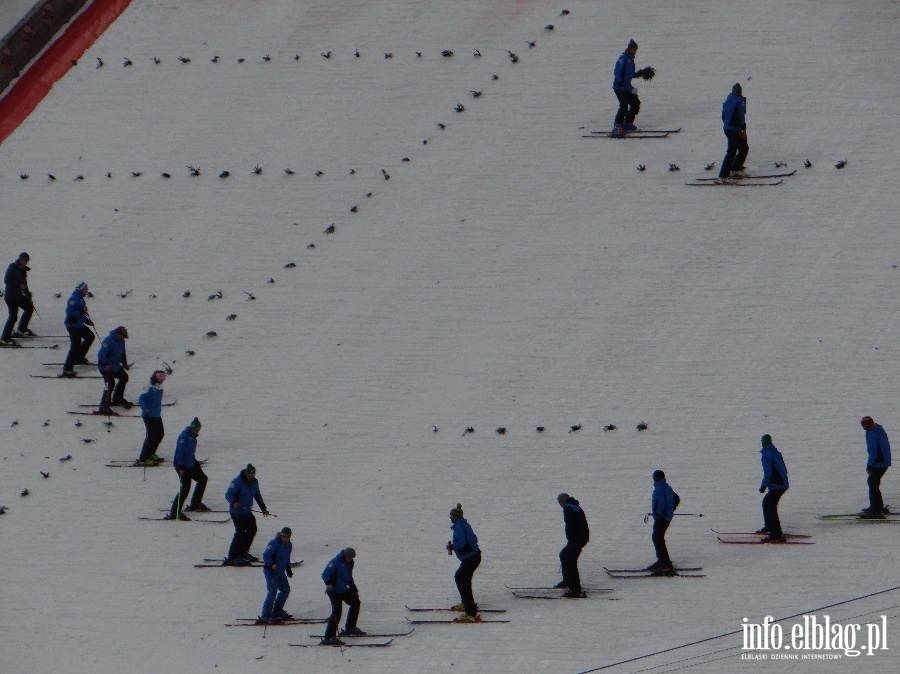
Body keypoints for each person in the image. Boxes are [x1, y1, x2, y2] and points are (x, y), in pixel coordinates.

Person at [224, 464, 270, 566]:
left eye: (252, 475)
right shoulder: (237, 482)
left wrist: (263, 508)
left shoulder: (254, 482)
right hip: (237, 512)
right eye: (249, 475)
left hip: (247, 512)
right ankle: (232, 557)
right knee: (240, 533)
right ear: (245, 473)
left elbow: (257, 495)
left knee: (252, 529)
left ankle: (243, 551)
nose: (251, 477)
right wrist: (234, 501)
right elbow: (228, 494)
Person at [165, 418, 208, 520]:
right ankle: (174, 512)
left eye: (198, 430)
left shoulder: (192, 437)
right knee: (185, 488)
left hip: (191, 464)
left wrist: (195, 462)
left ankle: (196, 502)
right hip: (183, 467)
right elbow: (179, 453)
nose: (197, 432)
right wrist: (180, 467)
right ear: (191, 428)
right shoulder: (184, 437)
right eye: (196, 430)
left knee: (202, 479)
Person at [321, 548, 365, 644]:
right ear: (344, 555)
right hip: (334, 591)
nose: (350, 559)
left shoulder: (350, 564)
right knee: (337, 613)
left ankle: (350, 627)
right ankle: (328, 638)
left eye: (351, 558)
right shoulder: (335, 562)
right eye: (349, 557)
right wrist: (328, 583)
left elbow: (349, 577)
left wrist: (354, 589)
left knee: (355, 602)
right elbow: (325, 574)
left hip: (343, 590)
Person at [446, 503, 481, 621]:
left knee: (463, 581)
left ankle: (470, 613)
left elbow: (462, 543)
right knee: (460, 577)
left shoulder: (460, 527)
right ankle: (466, 603)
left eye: (451, 515)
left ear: (456, 516)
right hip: (472, 557)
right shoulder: (463, 525)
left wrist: (452, 547)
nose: (450, 517)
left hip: (470, 558)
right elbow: (473, 538)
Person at [611, 39, 653, 136]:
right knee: (624, 106)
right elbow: (617, 71)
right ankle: (617, 126)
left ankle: (627, 123)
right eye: (633, 49)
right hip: (620, 88)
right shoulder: (623, 58)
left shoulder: (630, 60)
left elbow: (630, 74)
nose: (635, 51)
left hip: (627, 88)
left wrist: (641, 73)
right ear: (629, 49)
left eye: (635, 49)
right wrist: (620, 82)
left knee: (635, 103)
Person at [556, 493, 590, 598]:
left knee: (570, 562)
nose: (560, 505)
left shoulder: (568, 508)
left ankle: (576, 590)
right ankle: (568, 580)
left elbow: (571, 525)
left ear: (563, 501)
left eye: (560, 502)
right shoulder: (574, 506)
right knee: (564, 555)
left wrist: (571, 539)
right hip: (580, 538)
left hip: (577, 539)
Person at [758, 434, 789, 542]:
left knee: (769, 505)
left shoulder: (766, 454)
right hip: (782, 483)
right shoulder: (775, 452)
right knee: (768, 504)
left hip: (778, 485)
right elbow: (784, 468)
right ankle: (770, 527)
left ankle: (776, 534)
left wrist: (763, 486)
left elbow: (768, 472)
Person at [259, 527, 294, 624]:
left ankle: (277, 610)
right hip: (271, 571)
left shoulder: (289, 545)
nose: (285, 539)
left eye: (287, 537)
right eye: (284, 536)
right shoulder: (274, 543)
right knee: (272, 591)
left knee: (285, 589)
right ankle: (266, 615)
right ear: (281, 535)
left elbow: (287, 558)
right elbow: (266, 555)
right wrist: (271, 563)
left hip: (280, 571)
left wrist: (288, 569)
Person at [717, 83, 749, 183]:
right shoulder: (739, 101)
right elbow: (740, 115)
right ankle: (723, 176)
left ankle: (735, 169)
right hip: (734, 129)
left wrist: (728, 126)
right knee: (731, 151)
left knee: (743, 147)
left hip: (728, 128)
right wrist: (742, 128)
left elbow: (723, 116)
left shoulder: (727, 101)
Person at [61, 282, 94, 377]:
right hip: (73, 326)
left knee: (90, 337)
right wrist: (82, 310)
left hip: (79, 324)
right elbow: (69, 311)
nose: (87, 290)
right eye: (85, 289)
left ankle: (79, 357)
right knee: (75, 346)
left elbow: (81, 314)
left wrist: (87, 322)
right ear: (81, 289)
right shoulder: (74, 299)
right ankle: (67, 369)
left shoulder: (80, 298)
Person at [1, 252, 35, 346]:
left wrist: (28, 295)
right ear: (19, 259)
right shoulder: (12, 267)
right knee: (13, 317)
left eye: (26, 261)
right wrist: (18, 285)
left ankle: (21, 330)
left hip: (18, 296)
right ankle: (4, 338)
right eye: (23, 260)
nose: (24, 262)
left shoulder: (23, 270)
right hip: (11, 296)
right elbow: (6, 280)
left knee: (29, 308)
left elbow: (24, 284)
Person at [861, 416, 891, 517]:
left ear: (869, 424)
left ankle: (876, 509)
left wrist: (869, 465)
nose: (862, 427)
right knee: (874, 482)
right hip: (883, 461)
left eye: (864, 425)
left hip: (879, 462)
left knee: (872, 482)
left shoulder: (872, 433)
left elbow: (873, 451)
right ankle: (877, 506)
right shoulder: (877, 429)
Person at [135, 370, 167, 466]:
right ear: (157, 378)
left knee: (160, 434)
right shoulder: (149, 387)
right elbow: (141, 399)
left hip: (157, 415)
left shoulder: (160, 388)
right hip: (149, 416)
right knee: (151, 437)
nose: (163, 381)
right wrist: (145, 408)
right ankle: (143, 458)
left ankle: (151, 453)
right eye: (161, 379)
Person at [97, 326, 130, 413]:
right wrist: (105, 363)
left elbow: (123, 353)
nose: (123, 338)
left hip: (115, 366)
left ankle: (117, 397)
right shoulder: (109, 341)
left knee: (124, 377)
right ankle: (103, 406)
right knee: (110, 384)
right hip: (105, 367)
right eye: (122, 336)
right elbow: (101, 354)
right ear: (118, 334)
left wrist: (125, 364)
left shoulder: (121, 341)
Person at [648, 470, 675, 574]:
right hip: (666, 517)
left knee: (657, 538)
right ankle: (663, 561)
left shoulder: (658, 489)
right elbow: (676, 499)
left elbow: (661, 502)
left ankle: (665, 564)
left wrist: (659, 513)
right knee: (659, 538)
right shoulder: (668, 488)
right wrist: (670, 510)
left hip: (661, 518)